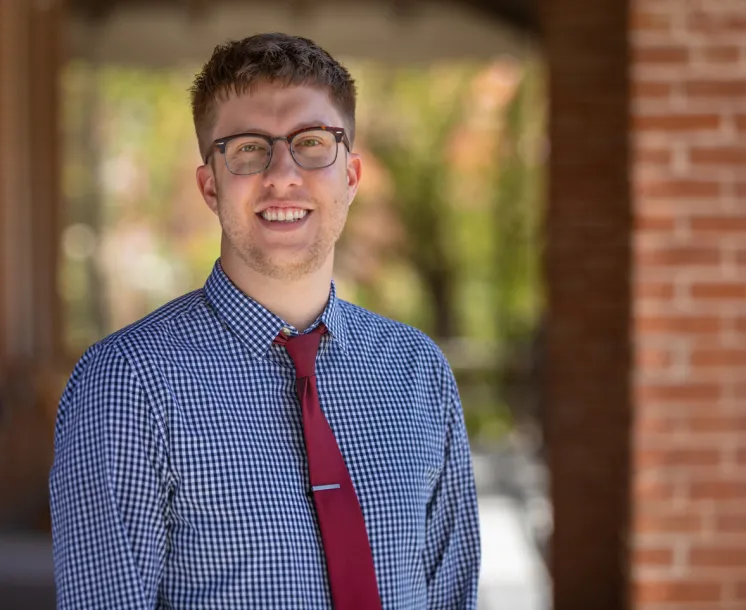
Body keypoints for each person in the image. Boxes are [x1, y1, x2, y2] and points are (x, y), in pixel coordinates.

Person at [49, 32, 481, 609]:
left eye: (311, 143)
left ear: (350, 178)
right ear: (210, 185)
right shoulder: (125, 385)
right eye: (249, 148)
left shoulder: (419, 372)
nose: (282, 174)